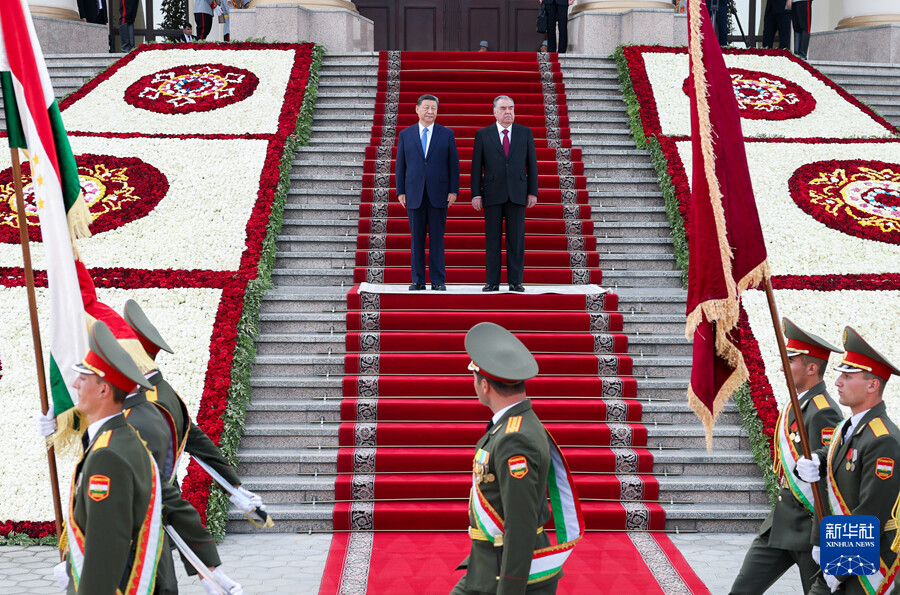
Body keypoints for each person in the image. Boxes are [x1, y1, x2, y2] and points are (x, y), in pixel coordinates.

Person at [450, 322, 581, 594]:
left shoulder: (514, 439)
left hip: (505, 577)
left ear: (485, 385)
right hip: (487, 567)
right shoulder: (518, 424)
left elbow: (519, 525)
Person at [730, 318, 843, 594]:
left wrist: (821, 536)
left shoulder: (823, 411)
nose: (782, 367)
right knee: (742, 589)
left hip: (808, 530)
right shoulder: (797, 402)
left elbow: (827, 472)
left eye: (790, 361)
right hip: (780, 524)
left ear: (812, 367)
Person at [123, 298, 263, 515]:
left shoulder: (150, 400)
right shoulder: (163, 391)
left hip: (153, 512)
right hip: (166, 507)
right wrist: (234, 486)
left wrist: (235, 488)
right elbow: (199, 442)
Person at [55, 321, 161, 594]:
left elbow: (104, 548)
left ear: (104, 390)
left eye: (84, 378)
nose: (76, 384)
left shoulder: (107, 457)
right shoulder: (122, 440)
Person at [796, 327, 900, 595]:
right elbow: (832, 465)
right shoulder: (847, 426)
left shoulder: (883, 439)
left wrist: (839, 566)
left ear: (872, 384)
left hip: (867, 562)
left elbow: (870, 511)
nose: (838, 382)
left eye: (848, 376)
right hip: (842, 548)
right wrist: (816, 461)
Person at [471, 95, 538, 293]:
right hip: (492, 194)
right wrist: (476, 193)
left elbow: (531, 165)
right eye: (503, 108)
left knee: (516, 240)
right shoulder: (483, 134)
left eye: (511, 108)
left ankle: (515, 282)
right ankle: (492, 282)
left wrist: (532, 191)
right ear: (494, 112)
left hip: (518, 192)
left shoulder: (525, 133)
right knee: (492, 239)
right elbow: (476, 167)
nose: (508, 112)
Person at [395, 94, 460, 291]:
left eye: (433, 108)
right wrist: (400, 191)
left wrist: (453, 190)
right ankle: (418, 280)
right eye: (426, 108)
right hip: (414, 193)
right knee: (416, 239)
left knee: (437, 239)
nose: (430, 111)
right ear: (417, 109)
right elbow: (401, 165)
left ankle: (438, 280)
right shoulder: (405, 135)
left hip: (439, 193)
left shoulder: (446, 134)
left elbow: (453, 165)